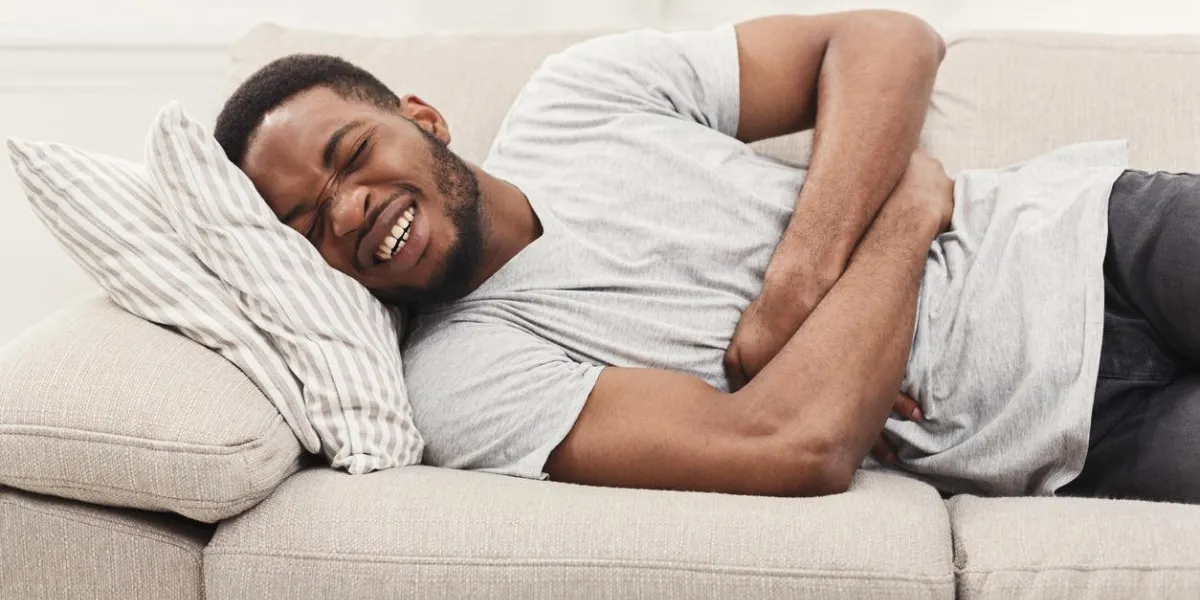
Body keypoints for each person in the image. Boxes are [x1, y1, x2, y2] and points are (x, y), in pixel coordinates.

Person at [213, 11, 1200, 503]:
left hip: (1092, 231)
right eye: (307, 223)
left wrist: (796, 292)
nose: (348, 212)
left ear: (419, 118)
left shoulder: (577, 99)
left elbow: (886, 38)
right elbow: (793, 446)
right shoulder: (461, 381)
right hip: (1065, 422)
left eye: (351, 157)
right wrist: (902, 212)